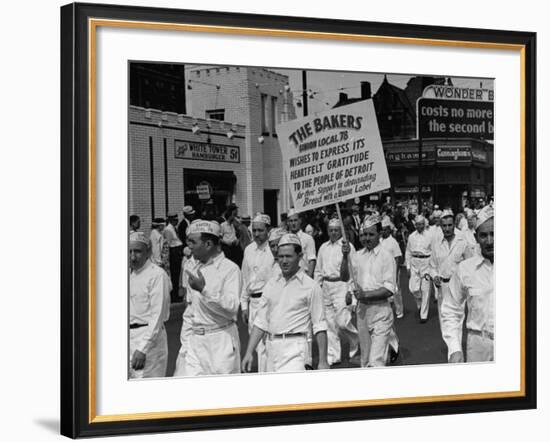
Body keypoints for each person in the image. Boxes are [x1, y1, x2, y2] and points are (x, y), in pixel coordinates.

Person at [242, 234, 329, 373]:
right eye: (280, 257)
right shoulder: (271, 284)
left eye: (288, 256)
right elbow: (260, 322)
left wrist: (323, 361)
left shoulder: (311, 287)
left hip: (297, 350)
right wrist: (249, 352)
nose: (284, 261)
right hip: (272, 348)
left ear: (300, 257)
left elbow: (319, 325)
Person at [179, 220, 242, 375]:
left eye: (193, 242)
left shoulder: (230, 269)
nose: (189, 247)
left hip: (221, 342)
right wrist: (185, 345)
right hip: (194, 343)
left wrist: (204, 290)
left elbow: (232, 307)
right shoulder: (192, 268)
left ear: (208, 244)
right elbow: (190, 311)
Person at [441, 205, 494, 362]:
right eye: (484, 235)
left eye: (494, 234)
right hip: (478, 345)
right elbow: (451, 310)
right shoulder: (465, 269)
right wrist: (454, 348)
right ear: (476, 237)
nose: (489, 241)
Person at [341, 215, 396, 367]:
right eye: (364, 234)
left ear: (379, 234)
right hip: (362, 312)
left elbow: (389, 289)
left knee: (375, 361)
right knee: (365, 360)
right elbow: (344, 276)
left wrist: (366, 294)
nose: (367, 238)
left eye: (371, 234)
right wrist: (345, 257)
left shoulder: (386, 256)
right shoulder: (358, 256)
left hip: (381, 311)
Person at [314, 218, 358, 366]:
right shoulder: (323, 248)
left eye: (336, 230)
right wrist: (317, 287)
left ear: (341, 231)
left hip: (341, 284)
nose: (333, 233)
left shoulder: (347, 247)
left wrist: (350, 290)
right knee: (330, 323)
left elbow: (354, 270)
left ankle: (355, 341)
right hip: (326, 285)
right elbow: (318, 270)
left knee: (342, 322)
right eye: (331, 230)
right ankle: (334, 355)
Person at [129, 232, 171, 378]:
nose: (133, 257)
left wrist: (143, 349)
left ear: (148, 252)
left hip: (148, 341)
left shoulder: (157, 275)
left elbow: (157, 316)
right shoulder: (129, 275)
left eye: (137, 251)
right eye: (129, 251)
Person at [429, 209, 472, 349]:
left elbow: (470, 264)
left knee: (457, 318)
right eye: (444, 226)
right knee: (444, 319)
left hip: (458, 288)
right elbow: (432, 266)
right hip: (443, 287)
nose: (447, 228)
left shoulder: (462, 242)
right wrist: (434, 276)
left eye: (449, 225)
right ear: (440, 226)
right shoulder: (436, 244)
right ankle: (452, 346)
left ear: (454, 225)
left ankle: (455, 349)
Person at [240, 214, 274, 373]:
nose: (257, 234)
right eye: (254, 230)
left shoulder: (273, 250)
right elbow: (244, 278)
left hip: (268, 301)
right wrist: (244, 305)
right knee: (256, 345)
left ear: (268, 230)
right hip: (252, 302)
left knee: (265, 345)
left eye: (260, 230)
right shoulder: (248, 250)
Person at [405, 215, 433, 323]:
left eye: (421, 224)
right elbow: (407, 251)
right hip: (414, 263)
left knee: (425, 289)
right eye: (417, 224)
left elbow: (434, 251)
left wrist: (433, 267)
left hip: (426, 262)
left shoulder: (430, 236)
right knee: (413, 288)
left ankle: (423, 315)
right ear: (415, 225)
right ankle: (420, 304)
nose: (419, 226)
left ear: (424, 224)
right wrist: (407, 266)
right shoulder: (411, 236)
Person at [380, 217, 404, 319]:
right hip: (382, 270)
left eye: (385, 229)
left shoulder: (393, 241)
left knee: (396, 291)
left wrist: (396, 272)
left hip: (393, 270)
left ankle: (399, 310)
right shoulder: (380, 240)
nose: (383, 231)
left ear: (389, 230)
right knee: (384, 291)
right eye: (382, 229)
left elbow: (398, 257)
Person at [287, 208, 316, 278]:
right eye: (291, 221)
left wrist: (309, 278)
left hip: (303, 275)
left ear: (300, 221)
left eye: (295, 220)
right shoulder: (285, 238)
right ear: (288, 223)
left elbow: (311, 259)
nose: (293, 223)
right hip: (288, 276)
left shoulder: (308, 238)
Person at [165, 212, 184, 302]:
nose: (177, 221)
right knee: (175, 275)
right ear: (171, 220)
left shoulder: (173, 228)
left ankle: (176, 293)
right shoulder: (168, 230)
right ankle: (174, 295)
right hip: (174, 252)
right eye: (175, 220)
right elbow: (168, 244)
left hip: (177, 251)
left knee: (177, 274)